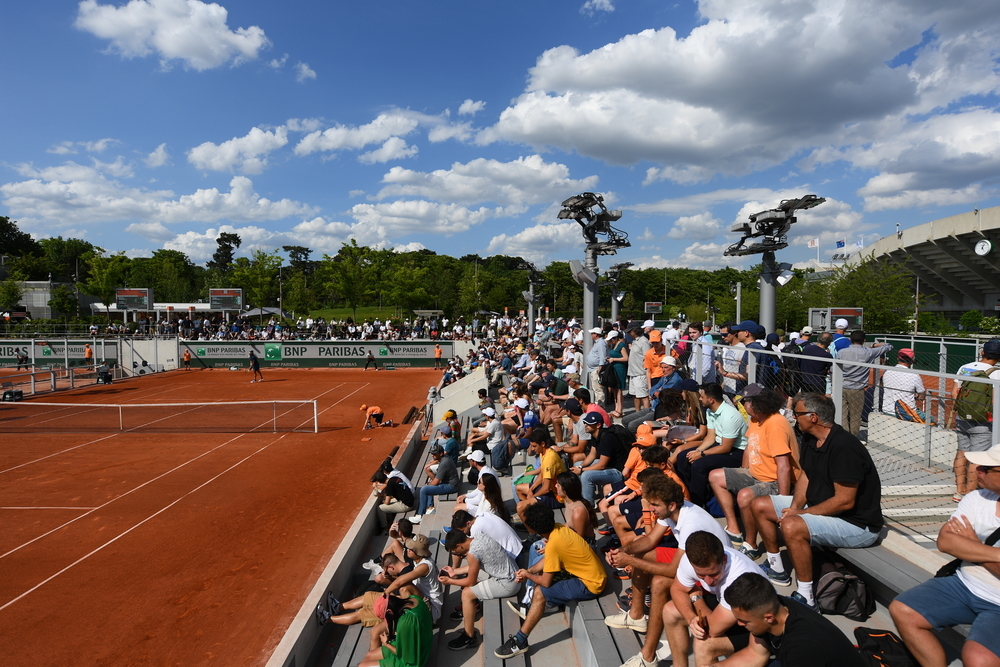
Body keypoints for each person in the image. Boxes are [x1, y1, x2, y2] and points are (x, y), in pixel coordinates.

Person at [751, 393, 883, 610]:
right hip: (828, 511)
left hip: (857, 525)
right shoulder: (812, 439)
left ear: (813, 417)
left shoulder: (844, 447)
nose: (794, 417)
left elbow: (844, 502)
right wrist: (793, 508)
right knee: (760, 504)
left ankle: (807, 597)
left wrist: (800, 515)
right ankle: (777, 569)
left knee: (792, 525)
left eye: (797, 413)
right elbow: (806, 475)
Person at [889, 444, 1000, 667]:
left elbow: (958, 545)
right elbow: (945, 541)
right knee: (902, 609)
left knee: (978, 659)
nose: (977, 469)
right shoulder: (977, 498)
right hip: (963, 584)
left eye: (985, 468)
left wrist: (973, 545)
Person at [607, 475, 730, 667]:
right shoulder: (672, 511)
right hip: (696, 562)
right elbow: (649, 541)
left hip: (713, 575)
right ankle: (636, 616)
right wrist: (621, 551)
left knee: (659, 582)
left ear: (671, 505)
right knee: (643, 555)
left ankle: (647, 656)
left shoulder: (691, 524)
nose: (651, 509)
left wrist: (629, 561)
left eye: (655, 505)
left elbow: (673, 570)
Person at [493, 503, 607, 659]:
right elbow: (547, 559)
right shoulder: (559, 529)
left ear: (536, 530)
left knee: (540, 593)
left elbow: (545, 583)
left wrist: (527, 575)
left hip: (590, 584)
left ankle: (520, 642)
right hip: (591, 574)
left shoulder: (553, 545)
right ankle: (537, 606)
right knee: (538, 564)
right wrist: (530, 570)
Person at [708, 385, 799, 560]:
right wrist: (741, 473)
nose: (742, 404)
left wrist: (783, 501)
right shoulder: (755, 419)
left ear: (756, 403)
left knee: (744, 496)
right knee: (715, 476)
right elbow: (750, 448)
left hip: (775, 481)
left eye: (745, 401)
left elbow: (784, 466)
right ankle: (734, 529)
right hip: (756, 474)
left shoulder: (775, 424)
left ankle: (751, 544)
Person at [659, 531, 763, 667]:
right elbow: (677, 589)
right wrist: (691, 618)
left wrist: (696, 598)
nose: (708, 581)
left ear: (724, 560)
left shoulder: (739, 577)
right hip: (726, 607)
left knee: (704, 644)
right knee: (670, 610)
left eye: (714, 574)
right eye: (701, 575)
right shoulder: (691, 560)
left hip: (757, 627)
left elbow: (713, 629)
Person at [723, 572, 868, 666]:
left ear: (769, 618)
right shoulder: (774, 605)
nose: (739, 624)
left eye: (744, 621)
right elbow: (755, 654)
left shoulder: (803, 648)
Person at [440, 529, 520, 650]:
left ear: (459, 545)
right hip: (512, 572)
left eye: (455, 551)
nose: (456, 554)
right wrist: (454, 571)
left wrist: (450, 581)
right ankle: (472, 608)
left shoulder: (472, 553)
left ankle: (469, 637)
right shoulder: (479, 537)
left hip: (507, 583)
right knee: (471, 580)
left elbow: (470, 582)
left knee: (466, 593)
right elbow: (474, 566)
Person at [673, 382, 748, 506]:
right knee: (683, 457)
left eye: (702, 397)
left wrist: (702, 454)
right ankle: (686, 495)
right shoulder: (710, 410)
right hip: (720, 445)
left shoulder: (729, 416)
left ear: (711, 400)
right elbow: (710, 436)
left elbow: (726, 447)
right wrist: (697, 451)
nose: (700, 398)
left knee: (699, 465)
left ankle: (697, 504)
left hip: (736, 452)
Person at [951, 340, 1000, 501]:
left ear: (982, 352)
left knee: (962, 452)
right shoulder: (997, 373)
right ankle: (970, 494)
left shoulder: (965, 368)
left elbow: (954, 394)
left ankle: (959, 491)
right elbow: (994, 401)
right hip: (984, 421)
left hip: (962, 418)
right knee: (977, 457)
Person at [356, 589, 433, 667]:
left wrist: (386, 644)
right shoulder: (415, 599)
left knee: (362, 666)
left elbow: (405, 657)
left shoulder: (405, 623)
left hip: (413, 661)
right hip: (417, 644)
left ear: (389, 611)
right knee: (369, 655)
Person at [837, 330, 892, 436]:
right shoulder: (869, 352)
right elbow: (889, 346)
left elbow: (834, 369)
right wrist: (874, 345)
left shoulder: (841, 352)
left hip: (841, 387)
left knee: (842, 414)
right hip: (857, 389)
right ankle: (852, 438)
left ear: (850, 340)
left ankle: (843, 436)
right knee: (855, 416)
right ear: (864, 340)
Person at [570, 411, 623, 503]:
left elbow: (602, 465)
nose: (586, 425)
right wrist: (580, 466)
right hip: (608, 467)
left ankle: (589, 506)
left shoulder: (607, 438)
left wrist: (582, 470)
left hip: (617, 471)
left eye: (589, 424)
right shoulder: (595, 435)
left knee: (586, 476)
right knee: (577, 464)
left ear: (598, 425)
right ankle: (585, 495)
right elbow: (592, 455)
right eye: (585, 422)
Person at [410, 444, 460, 523]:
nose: (432, 455)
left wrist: (429, 485)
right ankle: (430, 508)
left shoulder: (444, 463)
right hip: (450, 483)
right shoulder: (444, 458)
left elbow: (436, 482)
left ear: (440, 454)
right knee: (429, 487)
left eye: (434, 454)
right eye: (432, 453)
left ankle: (420, 515)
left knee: (424, 489)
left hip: (451, 486)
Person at [880, 347, 926, 417]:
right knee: (931, 419)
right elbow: (922, 396)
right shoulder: (914, 375)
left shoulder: (887, 371)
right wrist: (914, 395)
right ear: (912, 360)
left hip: (887, 410)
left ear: (897, 358)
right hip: (907, 413)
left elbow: (882, 385)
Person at [627, 321, 654, 412]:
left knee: (644, 397)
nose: (628, 333)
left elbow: (648, 357)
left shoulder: (644, 342)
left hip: (641, 374)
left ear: (634, 331)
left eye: (629, 331)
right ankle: (637, 413)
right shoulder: (635, 341)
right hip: (633, 373)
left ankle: (646, 416)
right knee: (636, 396)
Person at [586, 327, 608, 406]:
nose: (591, 335)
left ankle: (600, 406)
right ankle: (598, 405)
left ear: (596, 334)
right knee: (596, 388)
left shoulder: (601, 343)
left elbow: (602, 356)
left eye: (592, 333)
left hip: (596, 369)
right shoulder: (597, 342)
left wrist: (600, 367)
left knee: (598, 389)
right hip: (593, 369)